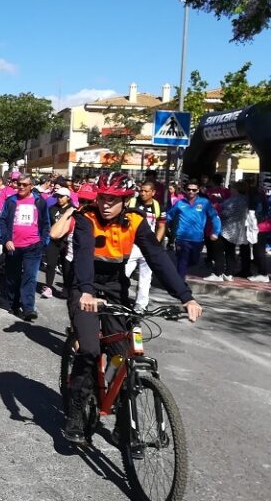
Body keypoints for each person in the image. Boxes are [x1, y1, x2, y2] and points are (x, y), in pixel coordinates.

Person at [63, 172, 203, 446]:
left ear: (125, 201)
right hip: (84, 287)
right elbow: (83, 257)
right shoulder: (85, 218)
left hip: (115, 288)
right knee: (90, 349)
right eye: (103, 198)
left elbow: (157, 257)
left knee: (124, 356)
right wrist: (87, 291)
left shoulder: (136, 221)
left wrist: (186, 297)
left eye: (113, 200)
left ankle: (123, 422)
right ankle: (76, 411)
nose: (106, 204)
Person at [0, 173, 50, 321]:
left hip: (33, 246)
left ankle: (28, 308)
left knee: (30, 277)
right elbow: (2, 222)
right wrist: (6, 240)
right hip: (13, 246)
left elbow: (46, 223)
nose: (20, 187)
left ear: (31, 186)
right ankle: (13, 304)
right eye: (18, 184)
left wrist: (43, 242)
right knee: (12, 277)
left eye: (24, 185)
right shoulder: (10, 201)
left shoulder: (39, 201)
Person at [123, 181, 167, 309]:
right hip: (132, 246)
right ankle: (118, 298)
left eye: (146, 191)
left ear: (153, 192)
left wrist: (155, 244)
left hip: (148, 247)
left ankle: (141, 305)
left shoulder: (158, 207)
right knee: (124, 274)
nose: (142, 193)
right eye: (141, 190)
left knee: (145, 277)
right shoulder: (132, 203)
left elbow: (162, 226)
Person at [167, 181, 220, 280]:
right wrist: (164, 226)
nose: (191, 191)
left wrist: (216, 232)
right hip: (181, 238)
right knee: (182, 261)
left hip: (197, 239)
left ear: (198, 190)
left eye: (194, 190)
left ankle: (180, 273)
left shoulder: (204, 202)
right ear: (185, 190)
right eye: (189, 189)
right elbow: (169, 216)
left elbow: (214, 217)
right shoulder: (180, 203)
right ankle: (180, 283)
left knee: (194, 261)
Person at [41, 187, 74, 300]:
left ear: (68, 197)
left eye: (61, 196)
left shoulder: (72, 210)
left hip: (66, 241)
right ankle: (48, 287)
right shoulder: (52, 209)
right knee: (51, 264)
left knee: (66, 266)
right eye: (57, 196)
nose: (59, 199)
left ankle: (66, 288)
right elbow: (46, 223)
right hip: (53, 241)